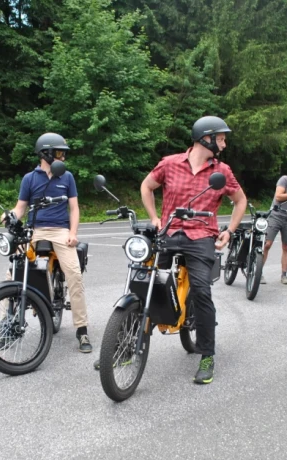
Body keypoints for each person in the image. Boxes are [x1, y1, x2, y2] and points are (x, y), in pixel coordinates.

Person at [95, 116, 247, 384]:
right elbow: (147, 186)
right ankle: (122, 345)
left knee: (201, 290)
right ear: (206, 138)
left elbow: (240, 200)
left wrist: (229, 231)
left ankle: (207, 355)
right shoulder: (170, 163)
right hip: (168, 233)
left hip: (201, 235)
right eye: (221, 138)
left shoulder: (221, 171)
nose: (224, 143)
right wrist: (154, 218)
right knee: (143, 283)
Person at [2, 133, 92, 353]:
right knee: (12, 271)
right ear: (46, 154)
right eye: (59, 153)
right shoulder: (29, 179)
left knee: (74, 274)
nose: (63, 157)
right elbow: (21, 207)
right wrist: (10, 215)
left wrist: (72, 232)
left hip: (60, 231)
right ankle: (7, 325)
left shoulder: (67, 177)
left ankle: (82, 331)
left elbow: (74, 208)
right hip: (35, 230)